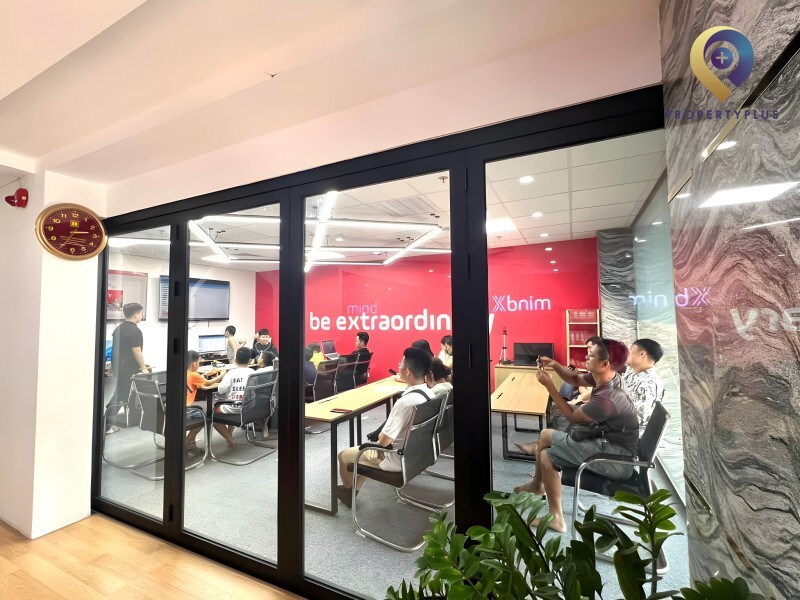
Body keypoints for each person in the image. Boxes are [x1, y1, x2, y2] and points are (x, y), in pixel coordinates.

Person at [513, 339, 638, 533]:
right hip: (608, 444)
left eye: (591, 355)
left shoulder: (607, 399)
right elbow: (575, 379)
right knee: (545, 435)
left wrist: (549, 386)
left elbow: (572, 417)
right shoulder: (607, 377)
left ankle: (556, 518)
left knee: (547, 455)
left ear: (604, 364)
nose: (586, 356)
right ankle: (538, 485)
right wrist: (555, 365)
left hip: (617, 459)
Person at [336, 347, 434, 508]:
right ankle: (354, 489)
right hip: (418, 454)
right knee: (365, 454)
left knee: (344, 456)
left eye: (401, 364)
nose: (398, 366)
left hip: (396, 457)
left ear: (407, 372)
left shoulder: (405, 402)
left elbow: (383, 442)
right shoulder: (430, 394)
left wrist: (382, 432)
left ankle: (348, 492)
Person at [110, 303, 149, 429]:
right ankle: (105, 425)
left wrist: (112, 367)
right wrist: (143, 367)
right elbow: (136, 350)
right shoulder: (135, 331)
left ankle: (133, 420)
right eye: (141, 313)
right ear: (136, 314)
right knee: (121, 396)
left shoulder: (118, 329)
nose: (142, 315)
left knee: (126, 394)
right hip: (128, 369)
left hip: (120, 367)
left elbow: (115, 350)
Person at [185, 350, 225, 449]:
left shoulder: (184, 373)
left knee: (201, 413)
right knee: (207, 416)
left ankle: (191, 442)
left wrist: (206, 374)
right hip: (187, 410)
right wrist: (222, 375)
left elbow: (198, 380)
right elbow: (207, 383)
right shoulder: (193, 375)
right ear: (194, 363)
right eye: (198, 362)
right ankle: (188, 440)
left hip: (177, 408)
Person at [215, 347, 255, 446]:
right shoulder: (254, 373)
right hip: (250, 407)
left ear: (236, 360)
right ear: (250, 360)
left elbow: (220, 390)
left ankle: (230, 439)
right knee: (230, 405)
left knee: (213, 416)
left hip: (233, 407)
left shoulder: (231, 373)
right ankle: (229, 433)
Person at [624, 338, 664, 426]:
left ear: (641, 354)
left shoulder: (649, 383)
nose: (625, 353)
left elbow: (638, 418)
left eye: (631, 349)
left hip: (629, 432)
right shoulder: (633, 374)